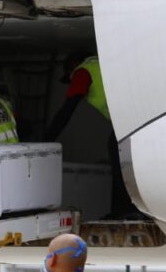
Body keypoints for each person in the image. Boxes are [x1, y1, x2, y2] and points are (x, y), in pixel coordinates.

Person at [45, 53, 140, 219]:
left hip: (131, 118)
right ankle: (123, 208)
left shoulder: (82, 73)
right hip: (135, 112)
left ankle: (126, 209)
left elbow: (68, 109)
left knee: (117, 152)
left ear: (71, 69)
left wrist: (46, 139)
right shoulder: (98, 62)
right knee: (117, 150)